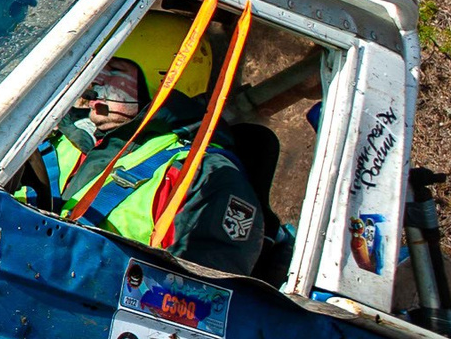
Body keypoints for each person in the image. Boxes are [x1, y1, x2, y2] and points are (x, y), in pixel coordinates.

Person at [23, 53, 269, 275]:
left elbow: (201, 293)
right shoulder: (49, 136)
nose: (96, 80)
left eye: (115, 71)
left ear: (162, 81)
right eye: (99, 67)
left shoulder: (201, 174)